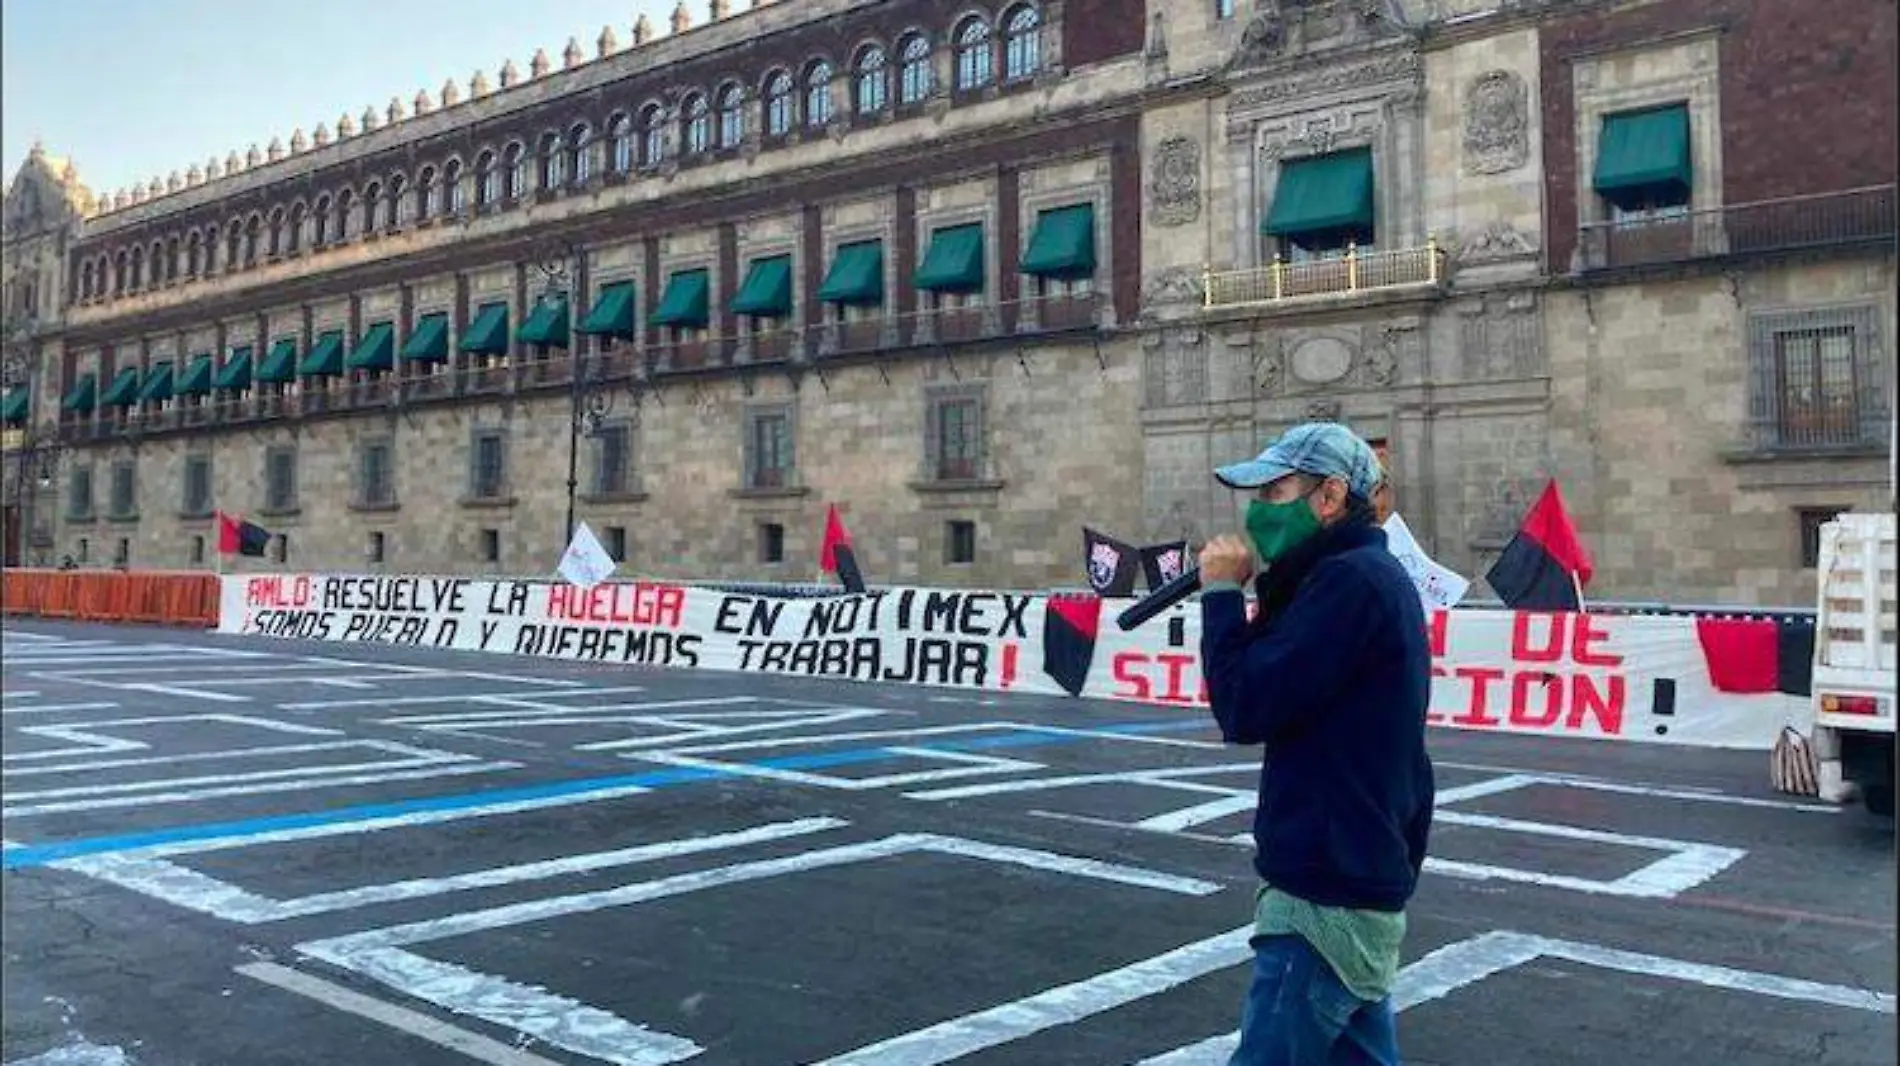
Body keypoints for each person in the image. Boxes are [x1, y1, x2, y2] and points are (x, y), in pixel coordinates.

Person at [1196, 422, 1434, 1066]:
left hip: (1323, 896)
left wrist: (1220, 595)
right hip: (1360, 871)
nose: (1258, 509)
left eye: (1275, 491)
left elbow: (1245, 705)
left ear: (1329, 498)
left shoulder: (1348, 584)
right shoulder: (1355, 577)